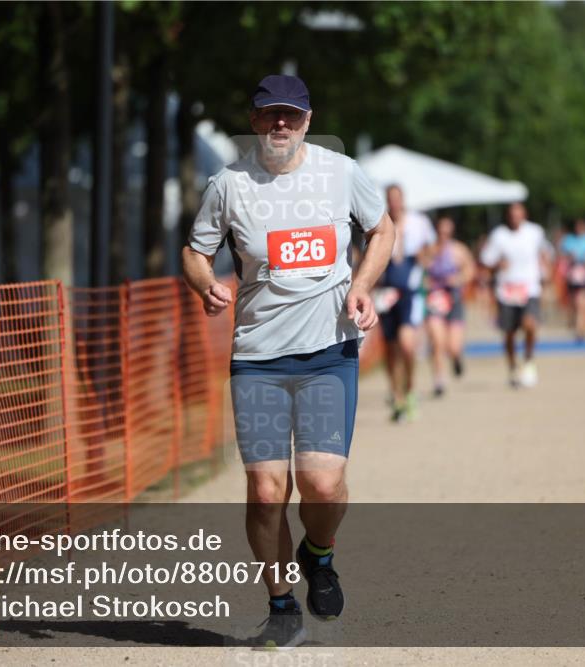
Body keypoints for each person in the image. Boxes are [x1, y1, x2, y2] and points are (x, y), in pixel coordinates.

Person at [181, 74, 394, 649]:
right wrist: (206, 284)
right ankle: (281, 610)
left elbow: (382, 229)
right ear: (254, 121)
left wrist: (365, 284)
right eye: (270, 115)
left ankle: (318, 555)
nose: (281, 124)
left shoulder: (340, 172)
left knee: (322, 485)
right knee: (266, 490)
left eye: (292, 115)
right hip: (258, 359)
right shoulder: (228, 184)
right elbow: (196, 250)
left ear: (306, 119)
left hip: (329, 352)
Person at [374, 185, 435, 421]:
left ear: (403, 200)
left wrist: (425, 259)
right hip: (387, 291)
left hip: (410, 292)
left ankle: (409, 387)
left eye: (397, 199)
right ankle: (396, 394)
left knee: (407, 345)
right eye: (390, 200)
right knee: (390, 348)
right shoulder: (380, 222)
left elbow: (431, 249)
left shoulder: (418, 222)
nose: (394, 204)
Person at [479, 202, 550, 388]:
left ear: (524, 215)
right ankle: (512, 367)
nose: (515, 218)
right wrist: (497, 266)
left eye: (518, 214)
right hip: (507, 290)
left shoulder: (535, 232)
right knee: (509, 333)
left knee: (530, 324)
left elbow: (546, 252)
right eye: (512, 215)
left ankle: (528, 360)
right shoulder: (499, 235)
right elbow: (486, 260)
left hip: (529, 287)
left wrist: (545, 269)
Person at [421, 214, 475, 397]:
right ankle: (439, 379)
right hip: (435, 300)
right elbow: (420, 271)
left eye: (447, 232)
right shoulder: (429, 250)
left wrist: (458, 279)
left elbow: (470, 270)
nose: (443, 235)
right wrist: (425, 280)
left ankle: (457, 357)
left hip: (454, 300)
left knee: (453, 346)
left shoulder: (458, 250)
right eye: (440, 231)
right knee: (437, 341)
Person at [558, 218, 585, 342]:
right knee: (574, 303)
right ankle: (576, 324)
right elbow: (563, 255)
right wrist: (570, 257)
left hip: (584, 275)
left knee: (583, 303)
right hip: (572, 275)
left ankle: (581, 329)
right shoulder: (569, 240)